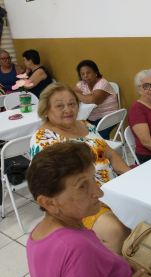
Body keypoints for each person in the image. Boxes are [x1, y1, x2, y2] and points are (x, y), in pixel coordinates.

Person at [30, 82, 131, 256]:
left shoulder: (86, 124)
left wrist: (131, 176)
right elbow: (62, 188)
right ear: (46, 110)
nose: (68, 109)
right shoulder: (44, 139)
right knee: (116, 231)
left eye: (72, 103)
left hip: (113, 188)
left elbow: (110, 154)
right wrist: (100, 198)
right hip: (83, 201)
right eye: (59, 105)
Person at [26, 143, 148, 277]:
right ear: (49, 203)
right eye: (82, 186)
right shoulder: (77, 247)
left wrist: (118, 262)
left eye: (93, 179)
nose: (99, 193)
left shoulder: (38, 233)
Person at [74, 60, 119, 139]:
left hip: (109, 116)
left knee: (99, 137)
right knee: (78, 131)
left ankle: (102, 151)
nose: (85, 76)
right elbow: (71, 96)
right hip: (90, 117)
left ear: (96, 72)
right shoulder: (81, 84)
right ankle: (90, 150)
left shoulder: (103, 83)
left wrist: (79, 95)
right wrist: (86, 96)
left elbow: (93, 100)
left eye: (88, 72)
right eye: (82, 74)